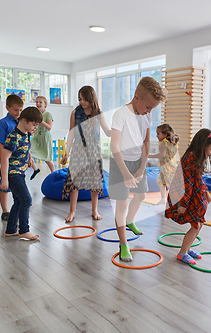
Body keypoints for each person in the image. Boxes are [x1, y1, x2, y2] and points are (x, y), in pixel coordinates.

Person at [110, 76, 167, 262]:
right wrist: (126, 173)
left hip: (137, 161)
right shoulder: (121, 114)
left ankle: (130, 221)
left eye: (152, 109)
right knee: (122, 204)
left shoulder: (146, 115)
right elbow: (115, 146)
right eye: (148, 107)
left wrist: (142, 168)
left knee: (141, 196)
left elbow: (146, 142)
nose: (149, 111)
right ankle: (124, 244)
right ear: (136, 98)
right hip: (120, 163)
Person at [165, 126, 211, 265]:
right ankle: (182, 253)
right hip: (187, 197)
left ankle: (187, 248)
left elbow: (198, 178)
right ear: (202, 145)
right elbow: (185, 184)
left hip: (195, 196)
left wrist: (206, 192)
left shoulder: (196, 157)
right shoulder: (190, 158)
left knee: (199, 223)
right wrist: (182, 204)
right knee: (196, 225)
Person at [61, 86, 111, 222]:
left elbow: (107, 131)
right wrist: (66, 153)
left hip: (94, 150)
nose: (82, 102)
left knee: (95, 181)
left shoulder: (98, 114)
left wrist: (120, 131)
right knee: (74, 181)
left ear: (91, 98)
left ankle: (94, 210)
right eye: (80, 99)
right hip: (78, 148)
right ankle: (72, 211)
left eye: (84, 99)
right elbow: (71, 134)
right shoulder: (75, 113)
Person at [0, 106, 43, 240]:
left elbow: (26, 149)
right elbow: (4, 157)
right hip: (13, 173)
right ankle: (24, 230)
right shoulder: (14, 137)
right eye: (34, 125)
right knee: (26, 200)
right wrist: (4, 179)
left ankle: (11, 229)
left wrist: (29, 159)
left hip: (20, 172)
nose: (35, 128)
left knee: (18, 201)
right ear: (24, 121)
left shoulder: (27, 135)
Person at [0, 94, 23, 221]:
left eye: (21, 110)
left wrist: (29, 158)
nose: (18, 113)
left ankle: (16, 208)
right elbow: (0, 142)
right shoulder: (2, 123)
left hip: (19, 161)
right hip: (7, 160)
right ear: (7, 108)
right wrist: (2, 160)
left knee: (18, 185)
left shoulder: (22, 122)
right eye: (16, 110)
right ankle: (5, 211)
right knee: (5, 185)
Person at [148, 124, 180, 205]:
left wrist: (149, 156)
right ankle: (163, 199)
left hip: (168, 167)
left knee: (172, 183)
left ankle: (176, 199)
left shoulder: (165, 143)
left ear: (165, 134)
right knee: (161, 182)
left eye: (158, 133)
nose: (156, 135)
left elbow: (162, 155)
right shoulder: (172, 143)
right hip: (169, 165)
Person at [31, 96, 55, 173]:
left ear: (45, 104)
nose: (38, 103)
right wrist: (32, 132)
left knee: (47, 159)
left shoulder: (48, 114)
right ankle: (35, 168)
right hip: (37, 137)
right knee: (27, 149)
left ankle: (53, 173)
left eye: (40, 102)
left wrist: (41, 121)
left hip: (45, 138)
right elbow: (35, 126)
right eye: (36, 102)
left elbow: (49, 127)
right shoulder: (35, 114)